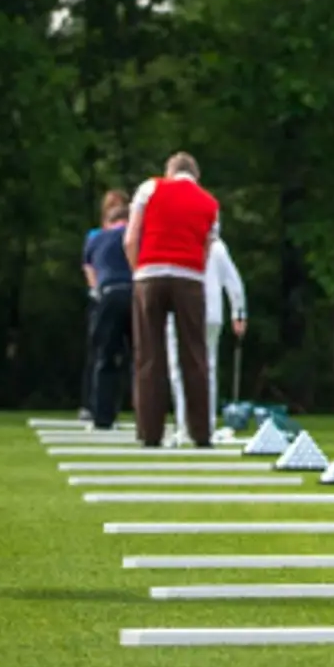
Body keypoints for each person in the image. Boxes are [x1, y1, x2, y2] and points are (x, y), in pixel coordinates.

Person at [124, 153, 221, 448]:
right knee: (195, 355)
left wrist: (138, 271)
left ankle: (150, 432)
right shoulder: (210, 203)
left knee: (149, 355)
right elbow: (206, 249)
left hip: (150, 273)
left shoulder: (150, 188)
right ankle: (201, 432)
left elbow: (130, 238)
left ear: (169, 171)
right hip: (189, 277)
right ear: (196, 176)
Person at [168, 234, 247, 444]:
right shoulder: (218, 247)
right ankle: (205, 424)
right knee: (207, 369)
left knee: (179, 369)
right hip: (211, 314)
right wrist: (238, 312)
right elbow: (234, 281)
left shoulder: (178, 243)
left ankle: (184, 424)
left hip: (183, 313)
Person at [83, 190, 134, 432]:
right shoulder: (133, 235)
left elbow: (90, 268)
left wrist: (97, 292)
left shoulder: (96, 238)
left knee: (104, 357)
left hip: (108, 295)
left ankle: (102, 416)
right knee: (141, 358)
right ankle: (147, 413)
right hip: (134, 293)